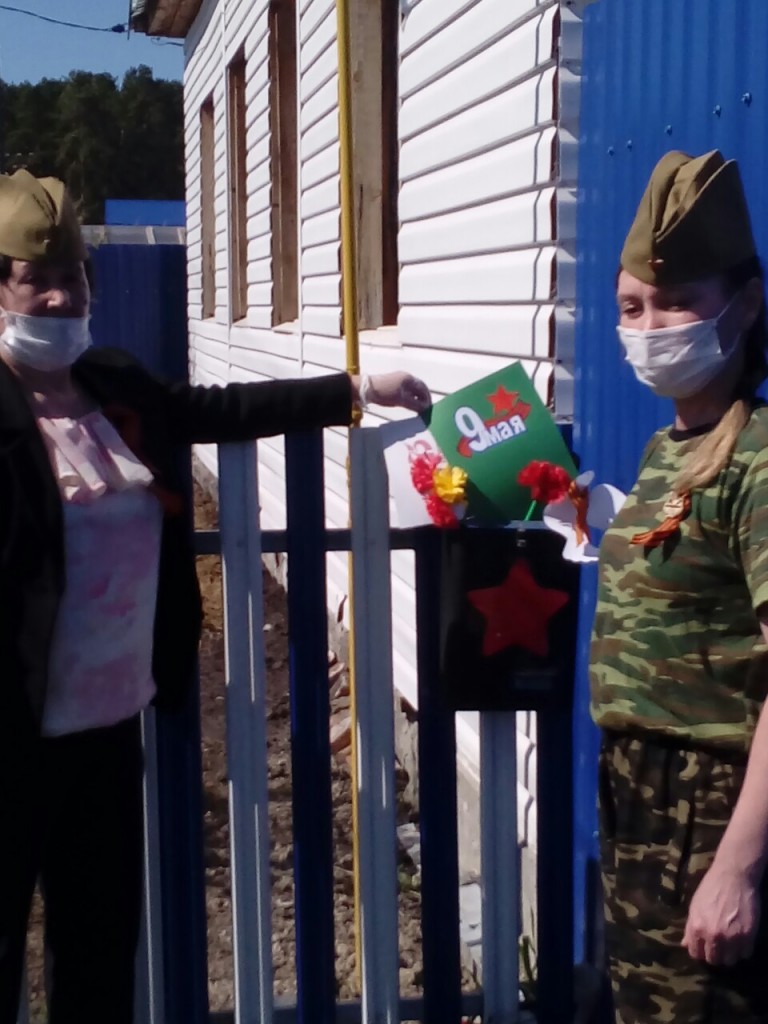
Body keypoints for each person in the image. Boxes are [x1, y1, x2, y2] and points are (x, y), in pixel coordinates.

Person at [0, 169, 430, 1024]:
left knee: (97, 957)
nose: (59, 296)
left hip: (108, 733)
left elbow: (221, 408)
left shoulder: (114, 384)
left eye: (72, 275)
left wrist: (354, 391)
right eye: (33, 278)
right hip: (11, 738)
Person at [590, 148, 768, 1023]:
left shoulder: (759, 461)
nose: (652, 326)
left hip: (714, 807)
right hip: (639, 799)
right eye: (633, 307)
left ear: (746, 304)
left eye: (677, 302)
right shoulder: (669, 448)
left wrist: (738, 866)